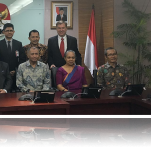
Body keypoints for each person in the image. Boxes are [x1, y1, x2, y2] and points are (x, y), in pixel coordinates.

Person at [0, 23, 26, 92]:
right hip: (2, 75)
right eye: (7, 30)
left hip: (16, 73)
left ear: (14, 32)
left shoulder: (18, 44)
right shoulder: (0, 44)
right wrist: (6, 71)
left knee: (15, 95)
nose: (9, 32)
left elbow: (22, 58)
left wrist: (16, 70)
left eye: (11, 30)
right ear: (3, 32)